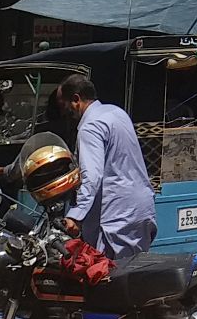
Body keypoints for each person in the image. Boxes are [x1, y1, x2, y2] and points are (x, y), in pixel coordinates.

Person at [57, 71, 156, 261]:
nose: (63, 113)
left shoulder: (89, 127)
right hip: (140, 209)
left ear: (76, 100)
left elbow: (92, 175)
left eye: (64, 105)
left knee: (110, 274)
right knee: (135, 272)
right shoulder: (116, 113)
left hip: (116, 217)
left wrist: (76, 216)